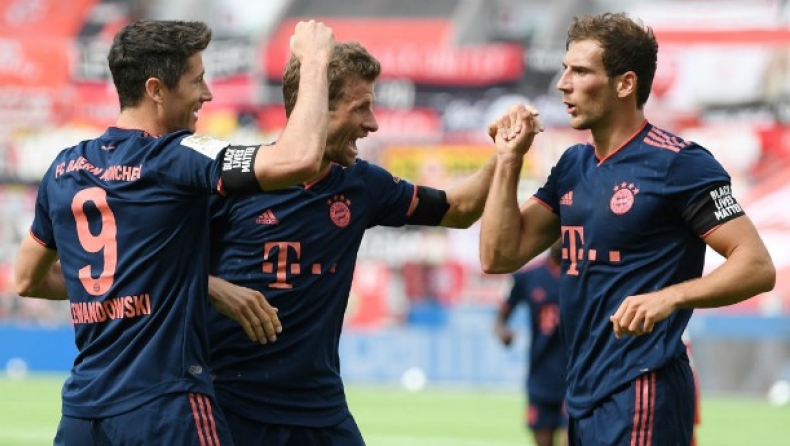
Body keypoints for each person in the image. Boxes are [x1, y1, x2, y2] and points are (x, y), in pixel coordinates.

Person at [13, 18, 335, 445]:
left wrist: (190, 284)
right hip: (164, 410)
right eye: (196, 80)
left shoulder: (64, 168)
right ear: (156, 89)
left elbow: (27, 279)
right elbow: (299, 160)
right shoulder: (176, 156)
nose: (208, 94)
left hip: (82, 417)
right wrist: (315, 60)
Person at [479, 12, 775, 446]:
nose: (563, 84)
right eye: (565, 69)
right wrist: (508, 161)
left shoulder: (680, 163)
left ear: (625, 84)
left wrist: (669, 297)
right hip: (582, 396)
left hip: (643, 388)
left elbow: (757, 265)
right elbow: (499, 255)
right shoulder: (573, 165)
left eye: (580, 71)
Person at [206, 41, 499, 445]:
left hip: (319, 408)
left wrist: (504, 155)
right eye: (360, 108)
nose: (372, 124)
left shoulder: (362, 184)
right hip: (232, 405)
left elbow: (459, 210)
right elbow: (154, 264)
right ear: (314, 107)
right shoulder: (232, 177)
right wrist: (214, 288)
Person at [494, 240, 567, 446]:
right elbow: (500, 319)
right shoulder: (527, 276)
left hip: (575, 376)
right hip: (541, 377)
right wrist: (503, 332)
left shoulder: (583, 275)